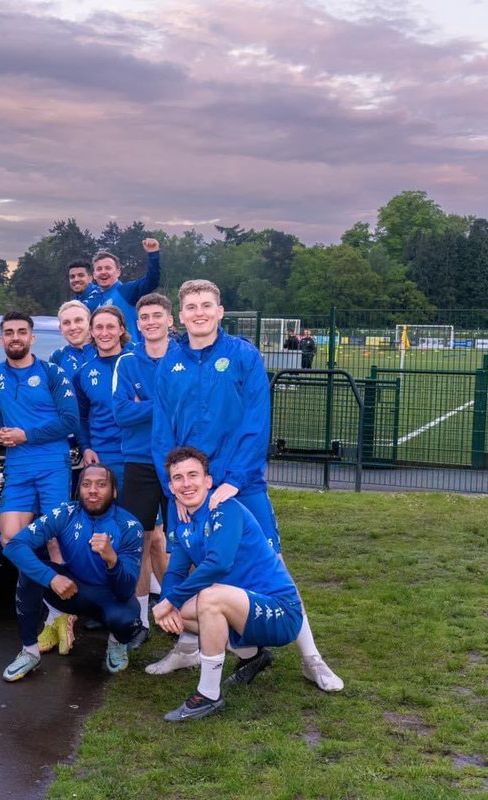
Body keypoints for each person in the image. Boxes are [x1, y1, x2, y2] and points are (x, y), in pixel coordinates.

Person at [149, 279, 342, 691]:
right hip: (187, 490)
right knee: (190, 566)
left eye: (207, 305)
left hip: (242, 484)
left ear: (220, 311)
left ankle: (312, 659)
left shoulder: (243, 356)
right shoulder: (169, 363)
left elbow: (257, 423)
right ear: (179, 316)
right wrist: (174, 489)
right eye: (191, 307)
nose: (199, 312)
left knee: (273, 567)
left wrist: (233, 481)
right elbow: (162, 429)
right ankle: (192, 648)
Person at [154, 447, 305, 720]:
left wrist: (169, 601)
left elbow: (219, 563)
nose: (186, 483)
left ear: (208, 481)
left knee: (209, 599)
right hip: (243, 607)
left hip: (281, 612)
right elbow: (175, 573)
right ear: (171, 486)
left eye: (193, 475)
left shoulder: (226, 508)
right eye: (178, 478)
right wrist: (168, 602)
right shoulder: (184, 522)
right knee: (186, 609)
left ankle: (209, 694)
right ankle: (252, 654)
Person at [1, 465, 146, 681]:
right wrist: (51, 577)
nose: (93, 490)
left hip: (112, 599)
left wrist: (112, 560)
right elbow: (14, 546)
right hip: (73, 590)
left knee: (125, 620)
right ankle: (30, 652)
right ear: (79, 490)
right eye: (86, 484)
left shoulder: (130, 526)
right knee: (30, 573)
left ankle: (116, 642)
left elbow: (125, 590)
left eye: (101, 484)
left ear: (114, 491)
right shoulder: (65, 513)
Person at [0, 311, 80, 655]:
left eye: (21, 332)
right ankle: (58, 605)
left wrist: (26, 434)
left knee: (55, 539)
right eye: (9, 332)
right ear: (2, 339)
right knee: (11, 537)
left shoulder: (52, 373)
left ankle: (61, 615)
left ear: (32, 338)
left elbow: (70, 421)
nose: (15, 337)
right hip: (17, 469)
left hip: (51, 464)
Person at [112, 293, 179, 637]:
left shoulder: (185, 358)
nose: (151, 322)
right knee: (136, 540)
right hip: (139, 461)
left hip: (179, 463)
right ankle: (137, 619)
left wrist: (147, 405)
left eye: (157, 316)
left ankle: (183, 614)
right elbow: (121, 413)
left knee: (182, 542)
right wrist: (164, 407)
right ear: (137, 324)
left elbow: (194, 409)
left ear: (170, 320)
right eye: (144, 318)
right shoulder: (127, 362)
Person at [75, 307, 131, 495]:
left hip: (137, 455)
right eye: (99, 327)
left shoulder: (137, 362)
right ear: (91, 332)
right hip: (102, 457)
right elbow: (81, 418)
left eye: (111, 327)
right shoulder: (83, 373)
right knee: (104, 518)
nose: (104, 333)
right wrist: (86, 447)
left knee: (139, 519)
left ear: (121, 329)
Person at [83, 241, 161, 338]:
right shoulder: (95, 300)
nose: (103, 272)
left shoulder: (126, 291)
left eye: (108, 268)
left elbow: (151, 281)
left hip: (131, 351)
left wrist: (153, 254)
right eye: (99, 269)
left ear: (118, 272)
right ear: (94, 275)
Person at [49, 301, 96, 376]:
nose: (73, 327)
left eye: (78, 321)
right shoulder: (57, 357)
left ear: (90, 324)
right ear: (60, 329)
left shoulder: (104, 351)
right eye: (66, 323)